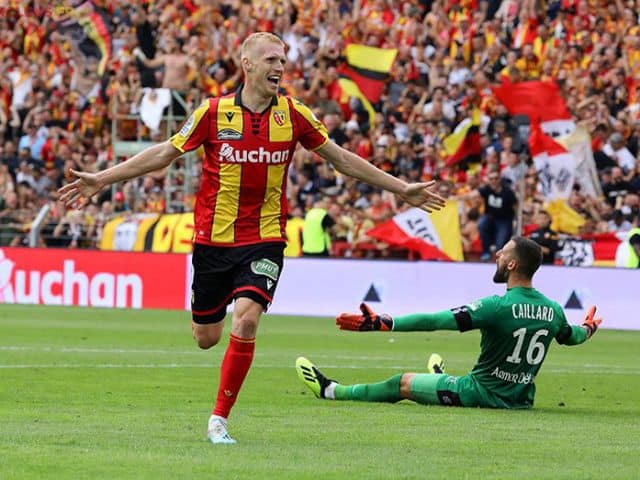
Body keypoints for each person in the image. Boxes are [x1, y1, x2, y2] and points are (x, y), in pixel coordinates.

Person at [58, 32, 445, 445]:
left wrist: (401, 188)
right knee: (206, 338)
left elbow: (342, 160)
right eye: (271, 60)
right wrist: (101, 178)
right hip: (212, 241)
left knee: (246, 318)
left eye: (283, 60)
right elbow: (164, 153)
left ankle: (218, 420)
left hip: (264, 239)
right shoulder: (212, 113)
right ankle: (217, 316)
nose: (280, 67)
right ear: (247, 64)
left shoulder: (294, 115)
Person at [296, 237, 602, 410]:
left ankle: (332, 391)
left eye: (503, 253)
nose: (496, 254)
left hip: (477, 394)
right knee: (451, 377)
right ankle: (441, 377)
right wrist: (588, 329)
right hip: (520, 400)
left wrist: (383, 323)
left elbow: (435, 320)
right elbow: (572, 336)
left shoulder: (496, 306)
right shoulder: (553, 309)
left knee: (400, 382)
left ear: (512, 265)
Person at [477, 168, 517, 261]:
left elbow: (516, 206)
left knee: (501, 242)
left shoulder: (508, 192)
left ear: (500, 179)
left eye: (496, 178)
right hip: (490, 218)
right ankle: (485, 251)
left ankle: (500, 259)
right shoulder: (487, 189)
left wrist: (516, 220)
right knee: (482, 223)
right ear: (488, 180)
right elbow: (473, 194)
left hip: (504, 220)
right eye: (491, 179)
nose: (493, 181)